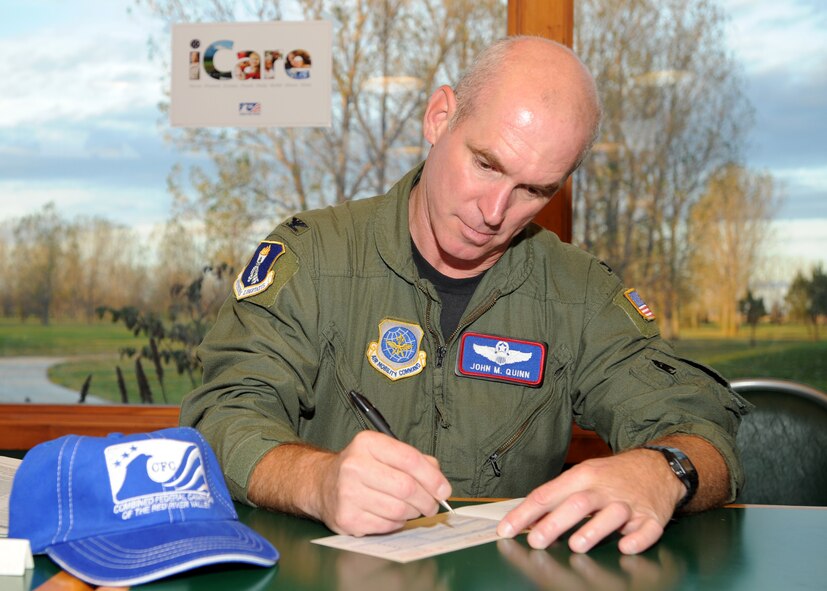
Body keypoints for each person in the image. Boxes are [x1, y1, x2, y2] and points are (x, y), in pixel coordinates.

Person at [180, 36, 749, 555]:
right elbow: (222, 416)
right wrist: (316, 481)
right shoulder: (315, 259)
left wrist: (663, 470)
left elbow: (703, 427)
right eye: (485, 164)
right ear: (439, 117)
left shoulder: (579, 294)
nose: (495, 213)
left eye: (534, 190)